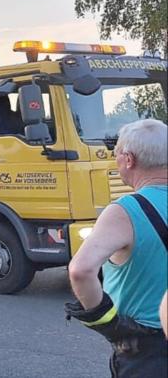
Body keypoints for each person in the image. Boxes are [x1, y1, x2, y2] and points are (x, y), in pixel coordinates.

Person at [66, 119, 167, 377]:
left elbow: (81, 270)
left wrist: (111, 327)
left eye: (116, 155)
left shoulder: (125, 211)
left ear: (129, 159)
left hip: (150, 351)